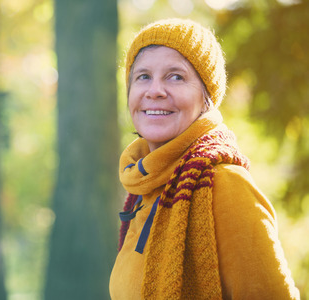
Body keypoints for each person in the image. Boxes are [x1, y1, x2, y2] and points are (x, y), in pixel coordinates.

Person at [109, 18, 300, 300]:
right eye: (143, 76)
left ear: (206, 97)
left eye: (176, 76)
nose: (155, 91)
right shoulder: (142, 186)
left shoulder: (224, 184)